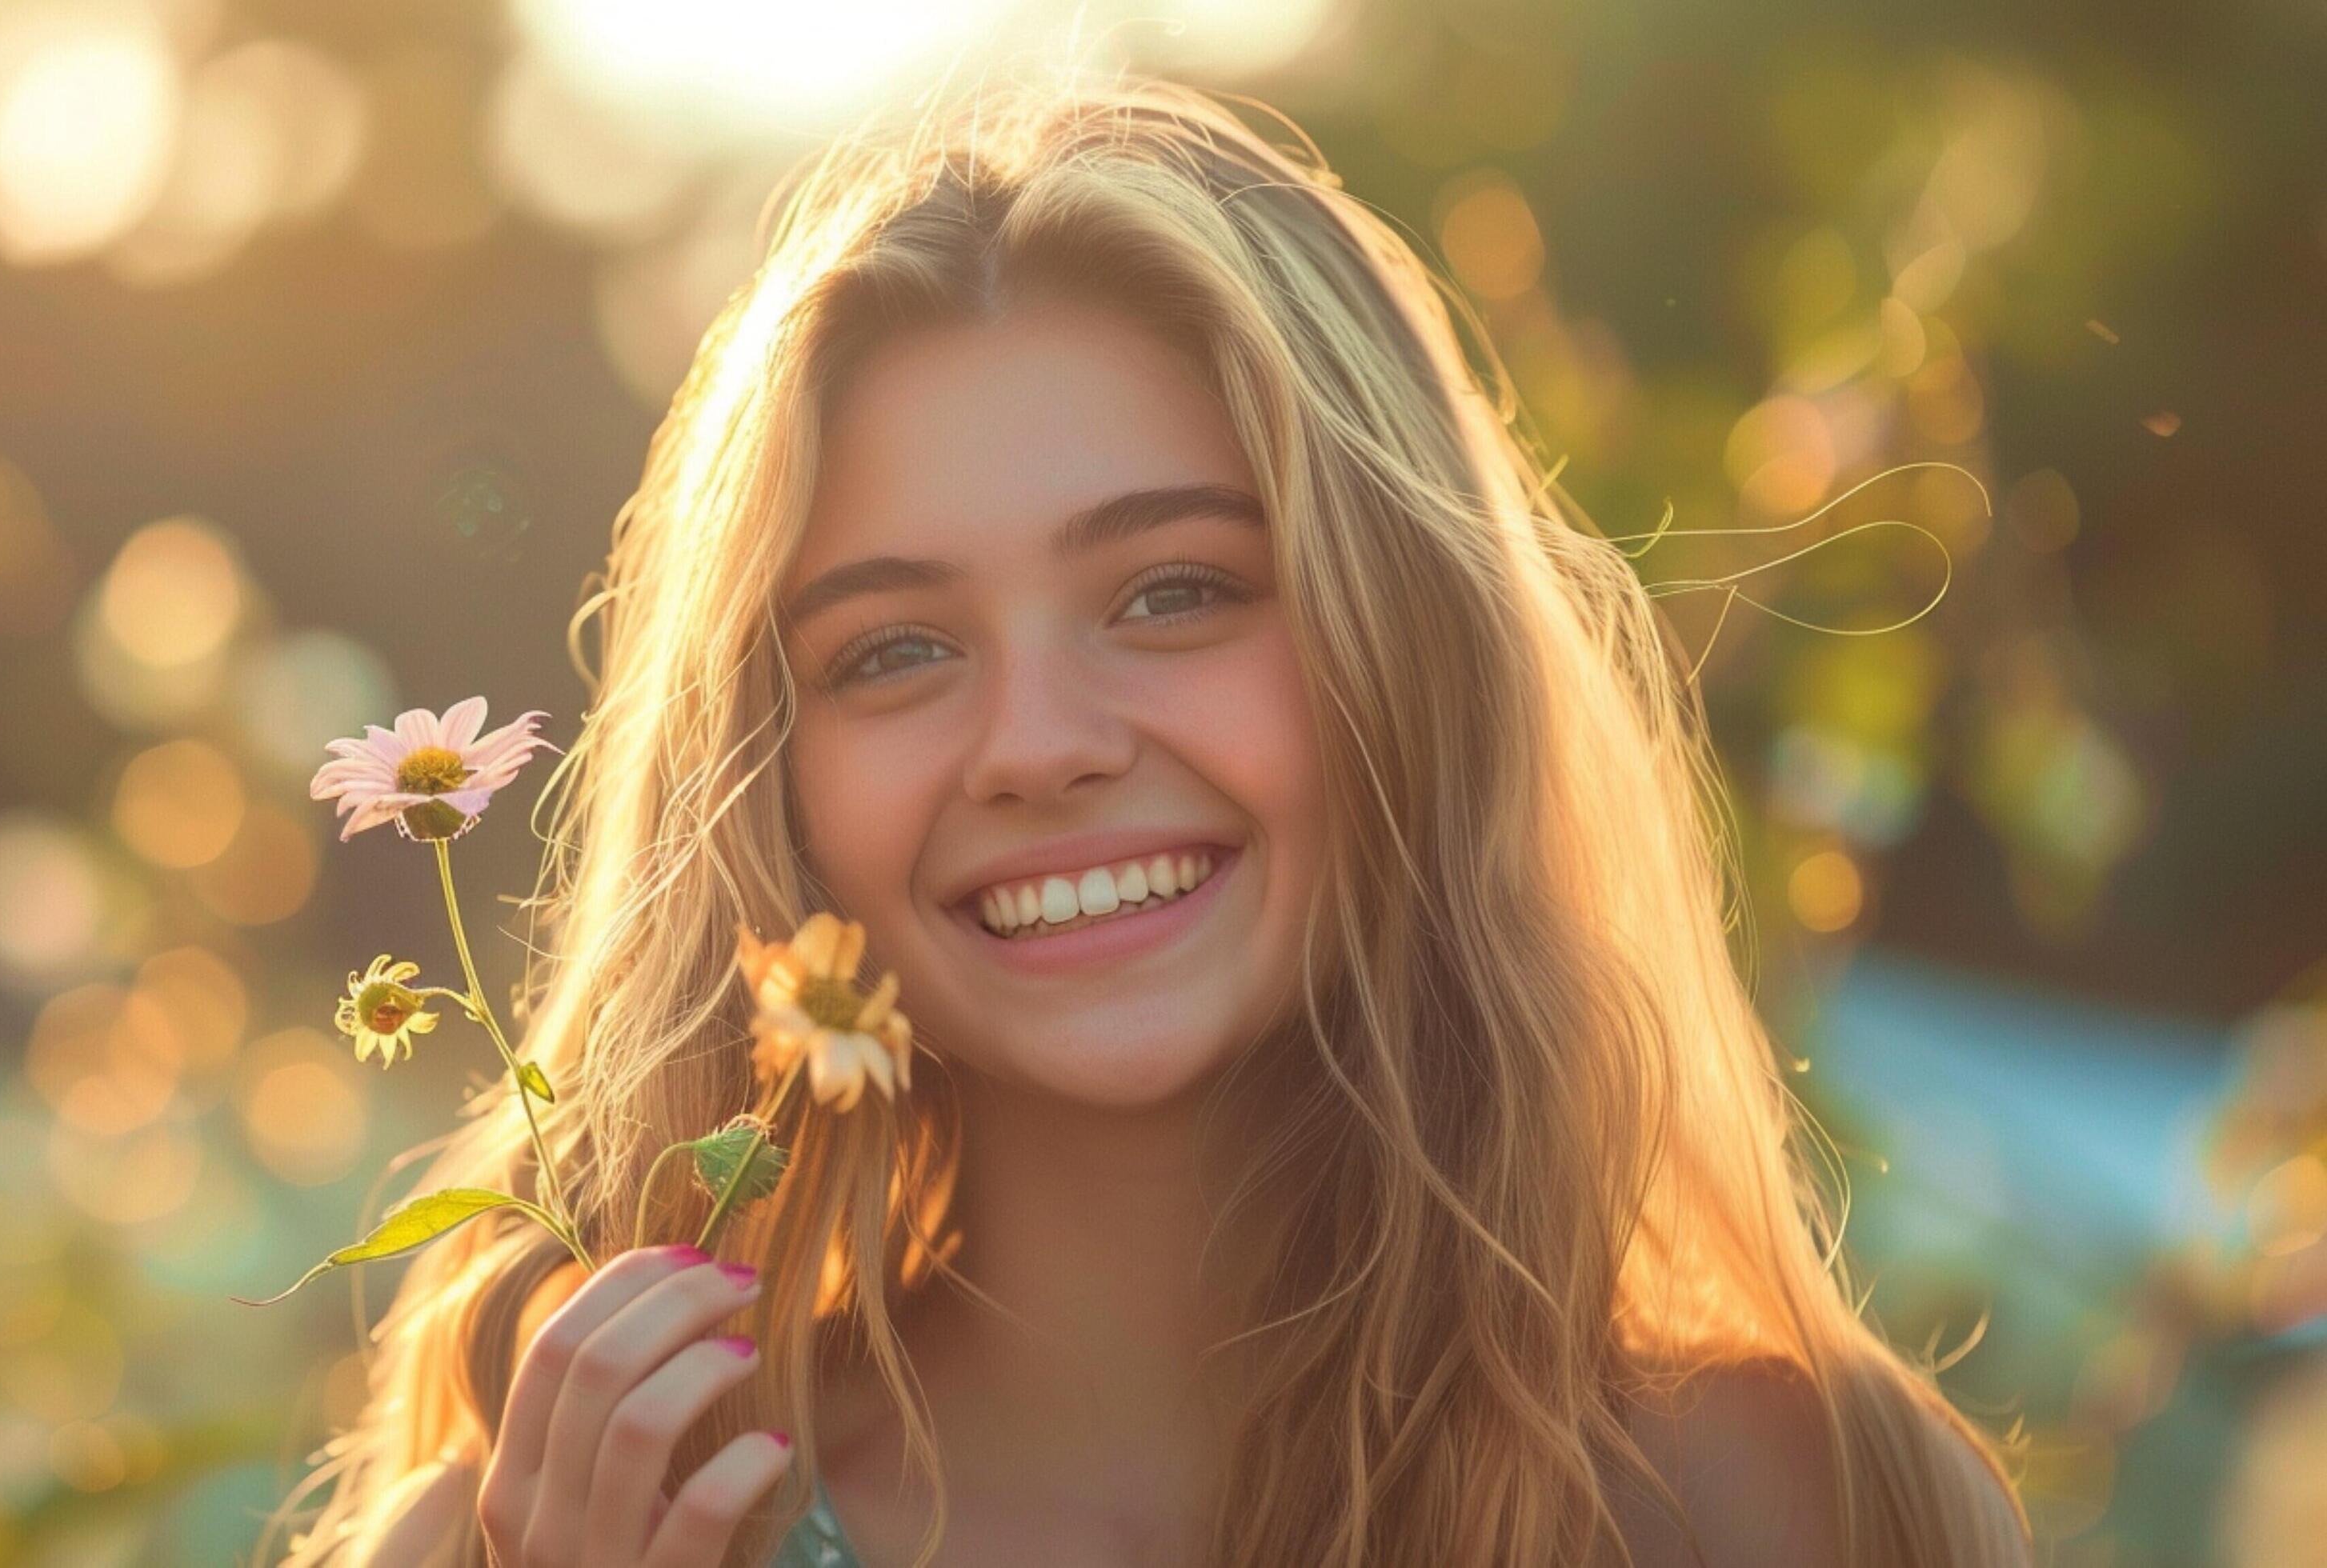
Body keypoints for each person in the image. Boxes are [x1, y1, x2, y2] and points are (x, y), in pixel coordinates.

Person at [264, 63, 2033, 1567]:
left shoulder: (1790, 1496)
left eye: (1175, 592)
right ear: (767, 776)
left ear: (1412, 645)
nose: (1035, 744)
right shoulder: (539, 1527)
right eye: (892, 648)